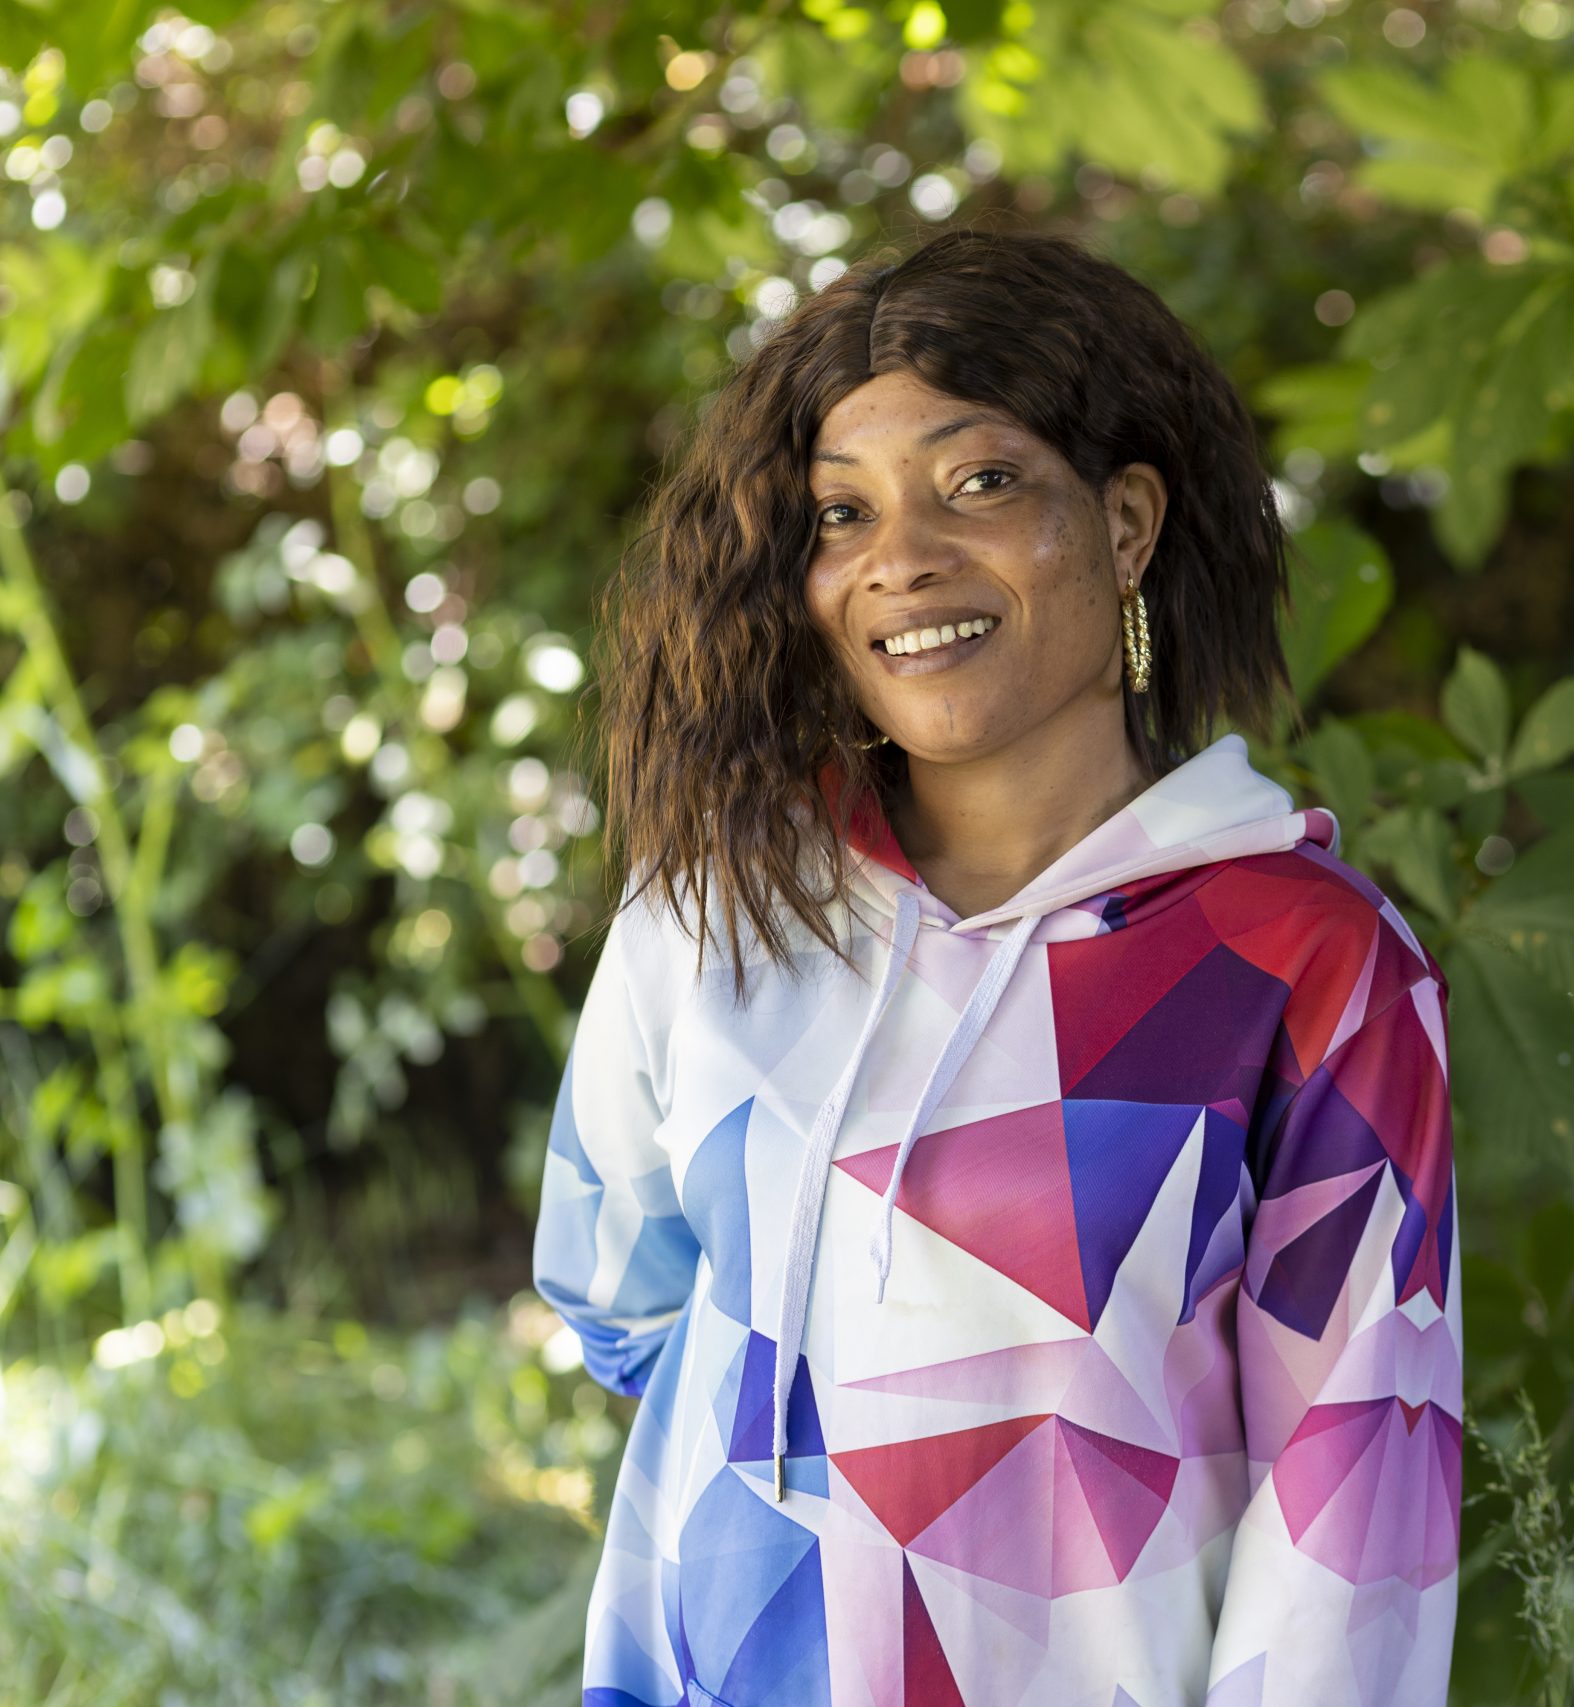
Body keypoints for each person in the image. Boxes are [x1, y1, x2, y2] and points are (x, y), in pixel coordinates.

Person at [531, 226, 1462, 1707]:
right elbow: (618, 1300)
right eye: (840, 514)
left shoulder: (1306, 964)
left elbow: (1361, 1512)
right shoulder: (713, 910)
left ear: (1127, 524)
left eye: (982, 482)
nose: (900, 559)